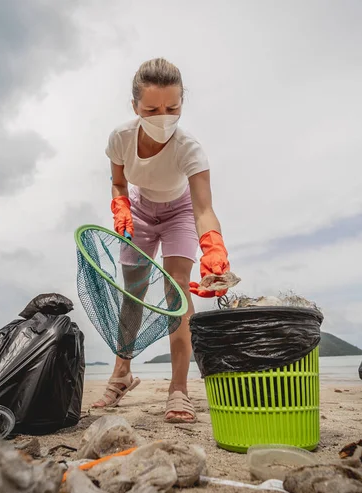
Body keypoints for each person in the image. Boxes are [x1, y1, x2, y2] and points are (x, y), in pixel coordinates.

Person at [91, 58, 232, 423]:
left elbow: (203, 209)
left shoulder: (190, 148)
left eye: (173, 107)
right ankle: (122, 373)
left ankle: (179, 390)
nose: (163, 117)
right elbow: (119, 181)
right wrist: (120, 204)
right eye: (152, 109)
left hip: (180, 213)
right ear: (135, 105)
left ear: (183, 101)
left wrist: (213, 246)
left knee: (178, 293)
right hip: (138, 212)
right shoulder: (120, 138)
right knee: (132, 293)